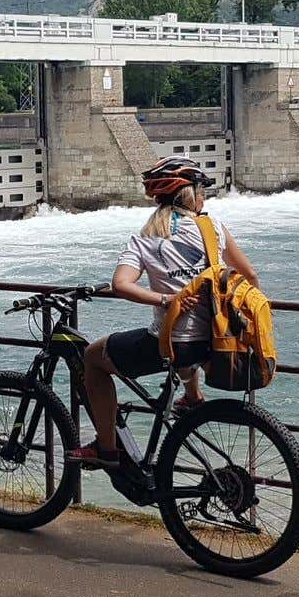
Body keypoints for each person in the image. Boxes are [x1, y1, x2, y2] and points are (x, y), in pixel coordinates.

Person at [67, 156, 257, 467]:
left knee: (92, 357)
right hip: (214, 340)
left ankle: (106, 448)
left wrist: (164, 299)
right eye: (201, 190)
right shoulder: (214, 229)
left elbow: (121, 285)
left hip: (171, 345)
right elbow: (249, 276)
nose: (204, 196)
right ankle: (193, 397)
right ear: (189, 195)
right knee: (184, 341)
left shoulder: (146, 238)